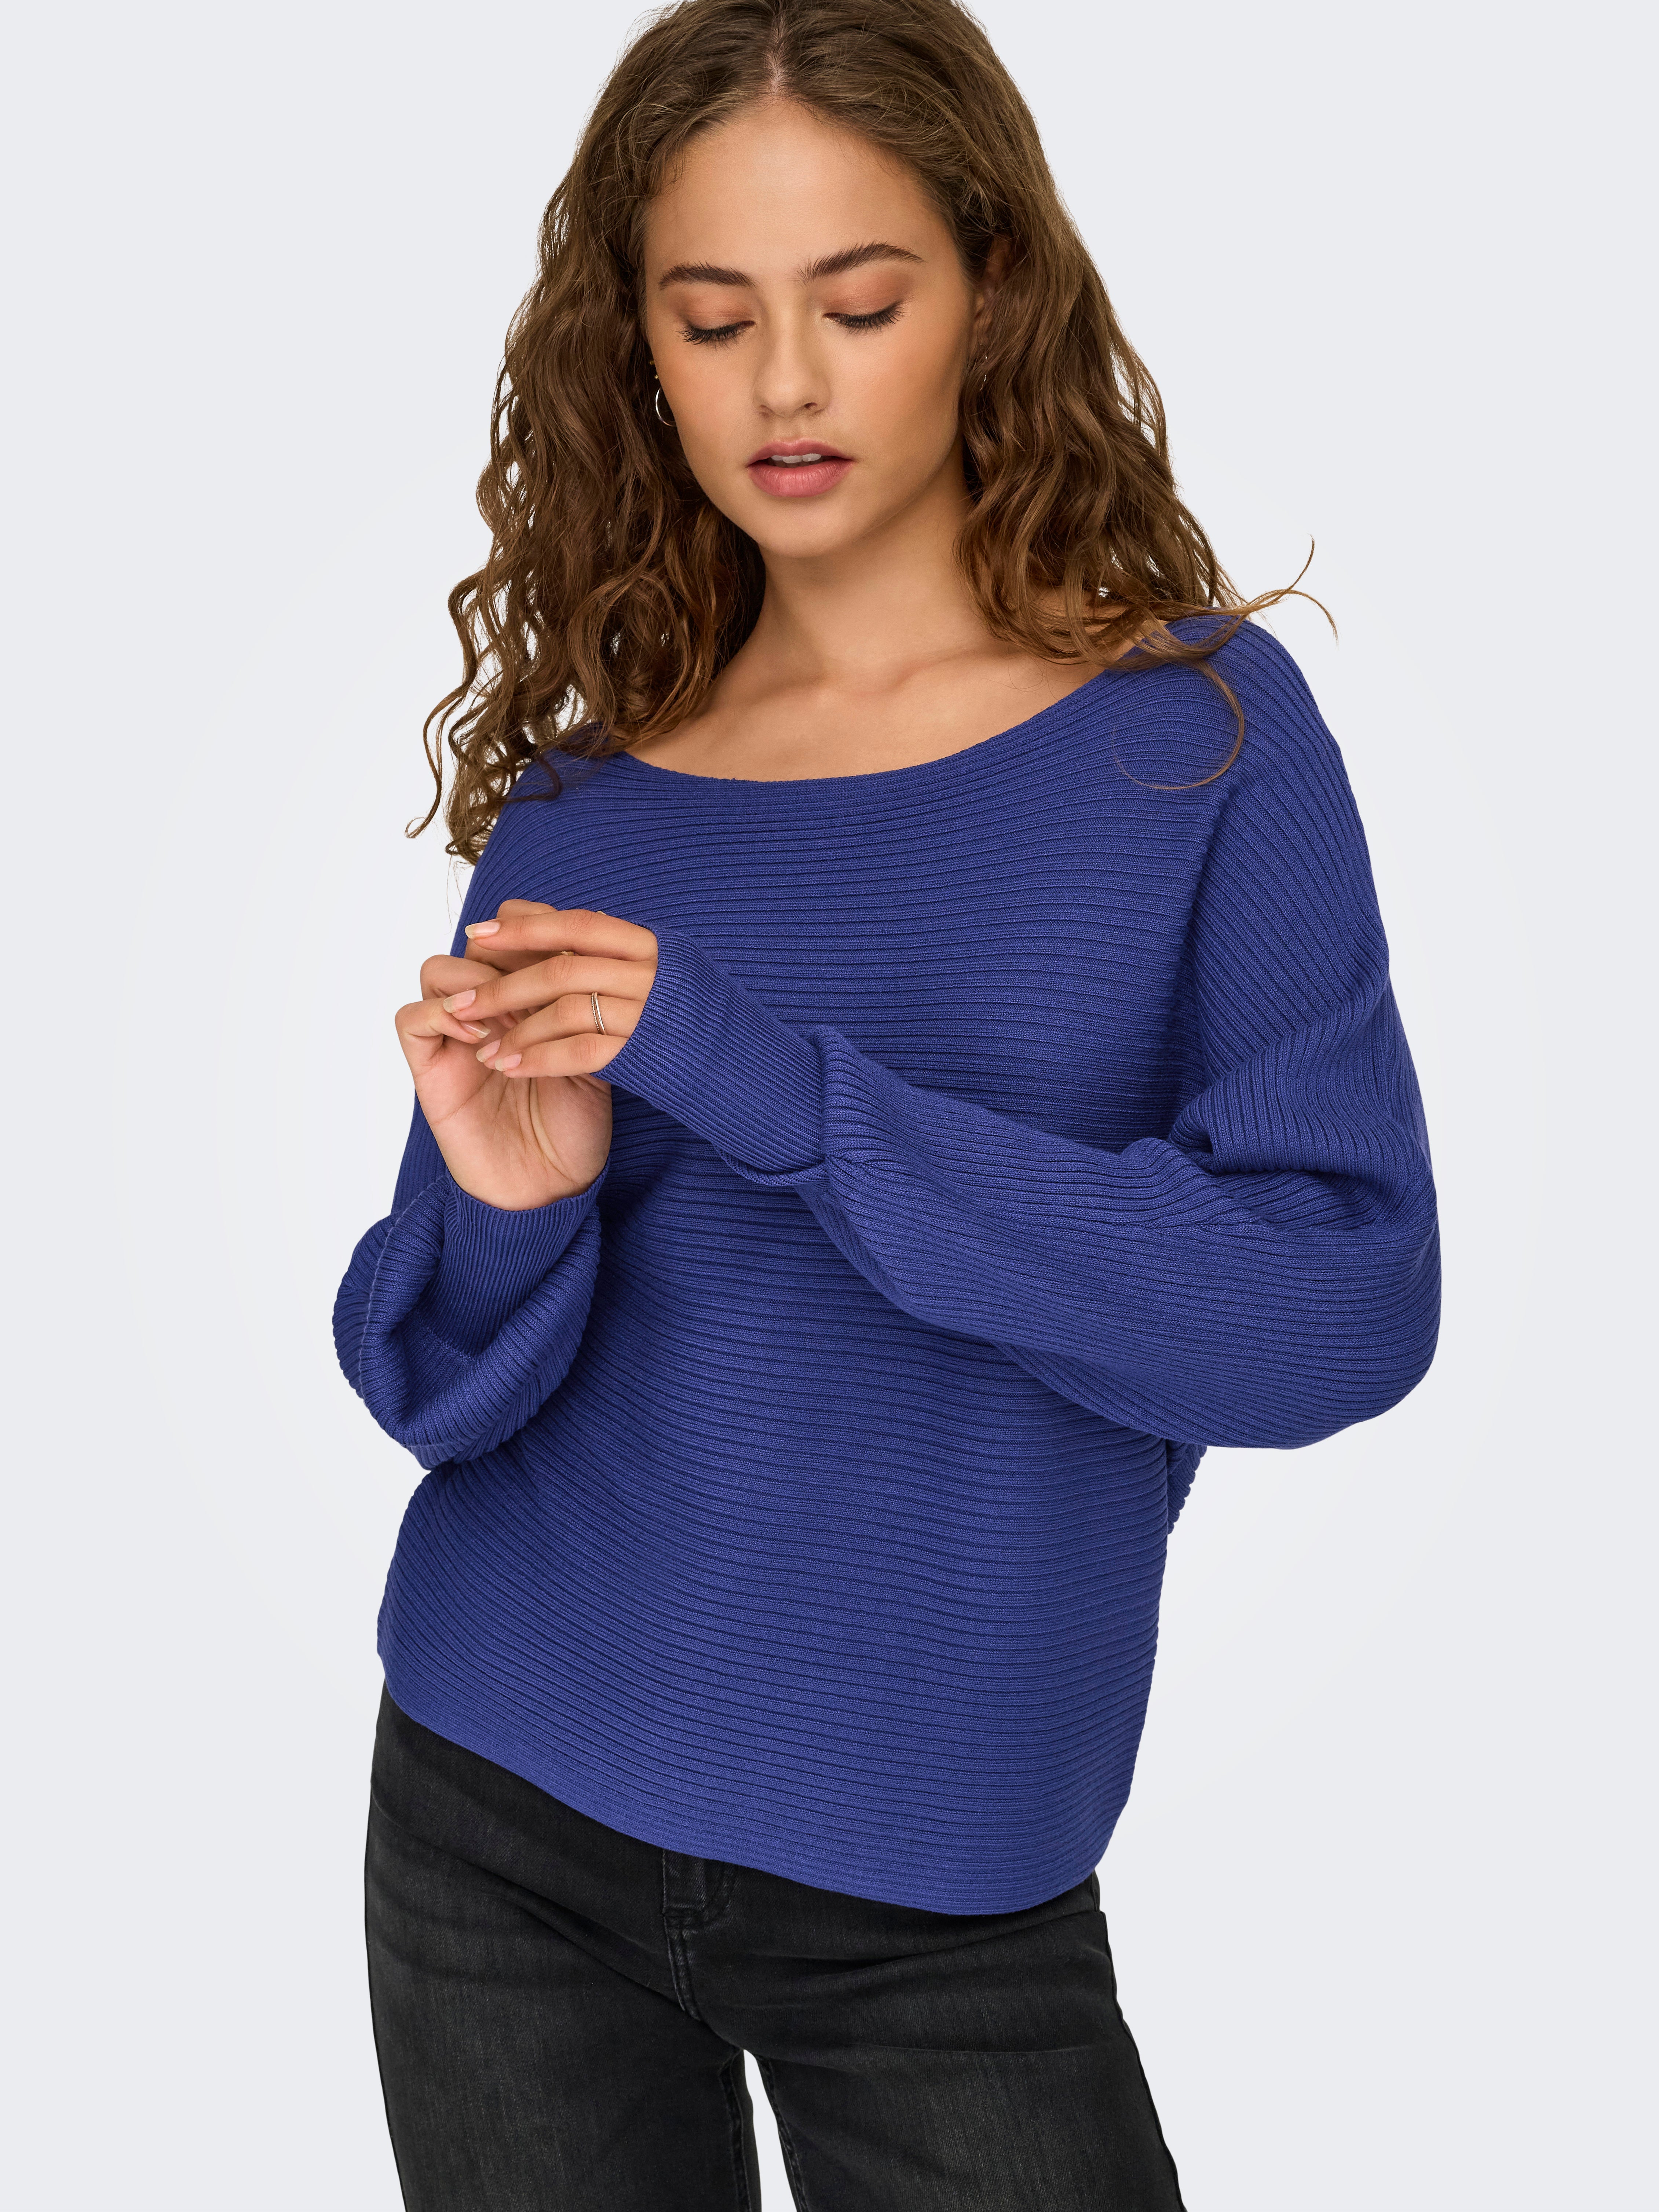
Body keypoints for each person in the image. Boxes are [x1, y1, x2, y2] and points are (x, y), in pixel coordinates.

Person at [333, 2, 1440, 2204]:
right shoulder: (588, 793)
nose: (787, 384)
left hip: (943, 1887)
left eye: (858, 303)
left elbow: (1340, 1311)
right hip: (495, 1815)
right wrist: (517, 1210)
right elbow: (438, 1390)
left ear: (992, 292)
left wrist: (776, 1089)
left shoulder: (1198, 740)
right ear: (638, 348)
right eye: (712, 316)